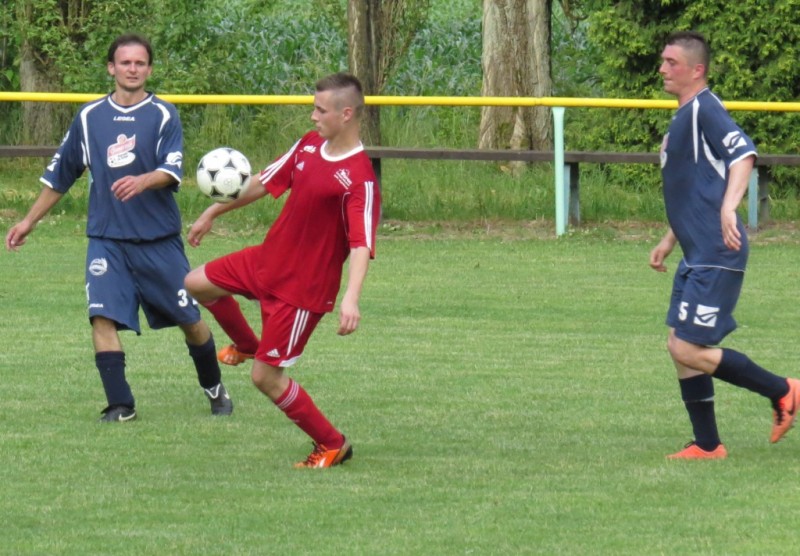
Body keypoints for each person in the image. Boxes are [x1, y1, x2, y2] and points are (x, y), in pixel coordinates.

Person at [4, 33, 232, 422]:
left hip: (158, 240)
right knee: (101, 316)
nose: (132, 69)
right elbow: (61, 174)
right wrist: (28, 220)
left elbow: (171, 170)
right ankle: (121, 405)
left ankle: (214, 387)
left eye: (140, 63)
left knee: (190, 321)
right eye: (125, 62)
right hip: (106, 239)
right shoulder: (90, 117)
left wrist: (143, 180)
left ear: (149, 70)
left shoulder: (163, 115)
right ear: (111, 68)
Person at [184, 72, 380, 468]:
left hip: (301, 290)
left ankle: (332, 444)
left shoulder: (359, 178)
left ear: (346, 114)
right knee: (196, 283)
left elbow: (361, 243)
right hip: (267, 261)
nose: (313, 116)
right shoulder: (309, 145)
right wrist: (212, 211)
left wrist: (351, 298)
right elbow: (263, 181)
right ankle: (246, 343)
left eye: (320, 110)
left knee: (266, 378)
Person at [649, 30, 799, 459]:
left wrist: (731, 207)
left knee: (686, 347)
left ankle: (783, 390)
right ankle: (708, 444)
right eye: (663, 61)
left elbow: (743, 155)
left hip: (717, 251)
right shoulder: (684, 115)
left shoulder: (705, 109)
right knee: (679, 346)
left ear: (697, 70)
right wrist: (670, 238)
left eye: (672, 63)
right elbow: (695, 186)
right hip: (696, 253)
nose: (662, 69)